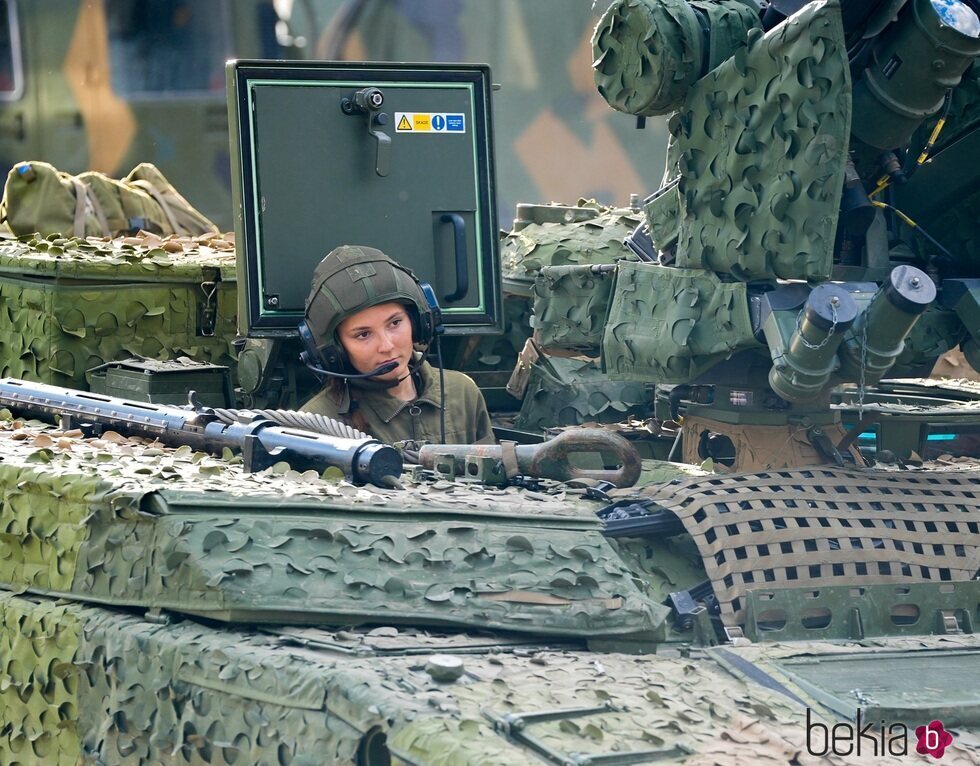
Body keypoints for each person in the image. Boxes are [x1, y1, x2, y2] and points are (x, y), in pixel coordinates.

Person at [298, 245, 494, 446]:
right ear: (335, 351)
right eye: (363, 334)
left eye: (394, 323)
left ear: (418, 323)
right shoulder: (316, 423)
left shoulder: (461, 393)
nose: (387, 345)